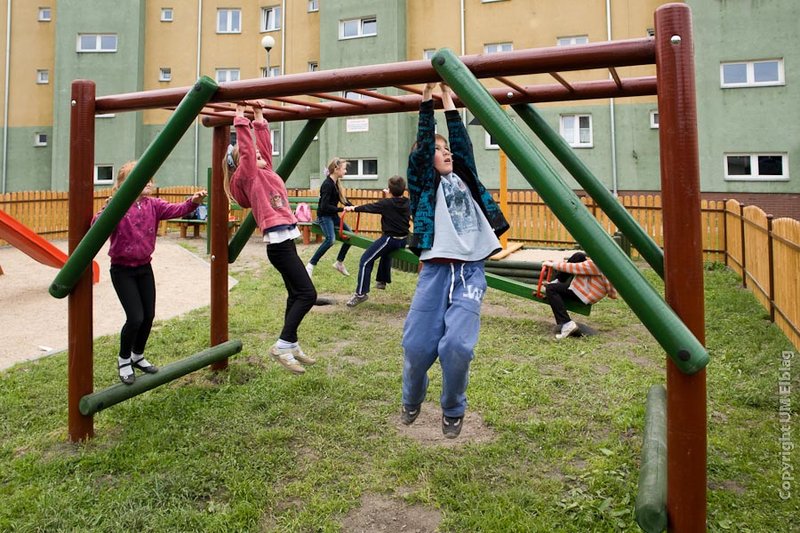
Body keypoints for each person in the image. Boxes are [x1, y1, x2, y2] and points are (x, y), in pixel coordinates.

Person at [401, 82, 509, 438]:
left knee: (456, 346)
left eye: (445, 150)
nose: (445, 154)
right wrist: (425, 104)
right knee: (416, 347)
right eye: (437, 150)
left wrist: (449, 101)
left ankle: (452, 409)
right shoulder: (423, 187)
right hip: (434, 272)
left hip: (469, 272)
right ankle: (412, 399)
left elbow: (461, 144)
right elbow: (420, 156)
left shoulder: (464, 177)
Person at [224, 102, 317, 374]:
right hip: (277, 243)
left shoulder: (264, 170)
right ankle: (282, 344)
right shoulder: (248, 174)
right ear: (242, 161)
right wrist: (239, 120)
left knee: (295, 294)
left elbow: (263, 145)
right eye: (251, 154)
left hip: (284, 240)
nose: (258, 155)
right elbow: (247, 151)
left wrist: (259, 117)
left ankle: (292, 343)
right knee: (308, 294)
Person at [94, 162, 207, 385]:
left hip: (145, 268)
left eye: (149, 178)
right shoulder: (117, 205)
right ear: (123, 184)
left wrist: (193, 202)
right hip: (122, 270)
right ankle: (124, 358)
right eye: (140, 177)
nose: (148, 182)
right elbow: (96, 226)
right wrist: (107, 210)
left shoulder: (153, 205)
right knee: (135, 317)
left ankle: (137, 355)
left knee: (148, 316)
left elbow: (176, 209)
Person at [343, 175, 410, 307]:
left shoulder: (386, 204)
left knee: (365, 260)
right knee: (385, 252)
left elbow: (369, 207)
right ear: (404, 190)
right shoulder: (407, 202)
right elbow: (394, 204)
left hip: (391, 239)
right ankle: (382, 281)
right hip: (403, 239)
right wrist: (390, 195)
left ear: (390, 191)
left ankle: (360, 294)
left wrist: (353, 208)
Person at [542, 252, 617, 339]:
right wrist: (558, 262)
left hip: (584, 294)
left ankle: (567, 324)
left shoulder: (597, 264)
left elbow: (575, 267)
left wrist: (552, 264)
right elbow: (580, 264)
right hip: (587, 289)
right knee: (578, 256)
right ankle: (558, 281)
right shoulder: (604, 262)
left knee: (551, 289)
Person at [305, 157, 353, 278]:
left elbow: (343, 200)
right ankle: (310, 265)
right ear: (336, 169)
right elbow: (325, 206)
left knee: (350, 236)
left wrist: (353, 207)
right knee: (330, 239)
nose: (345, 171)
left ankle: (339, 263)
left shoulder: (336, 183)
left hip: (333, 216)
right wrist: (342, 209)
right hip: (324, 216)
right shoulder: (327, 185)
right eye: (344, 169)